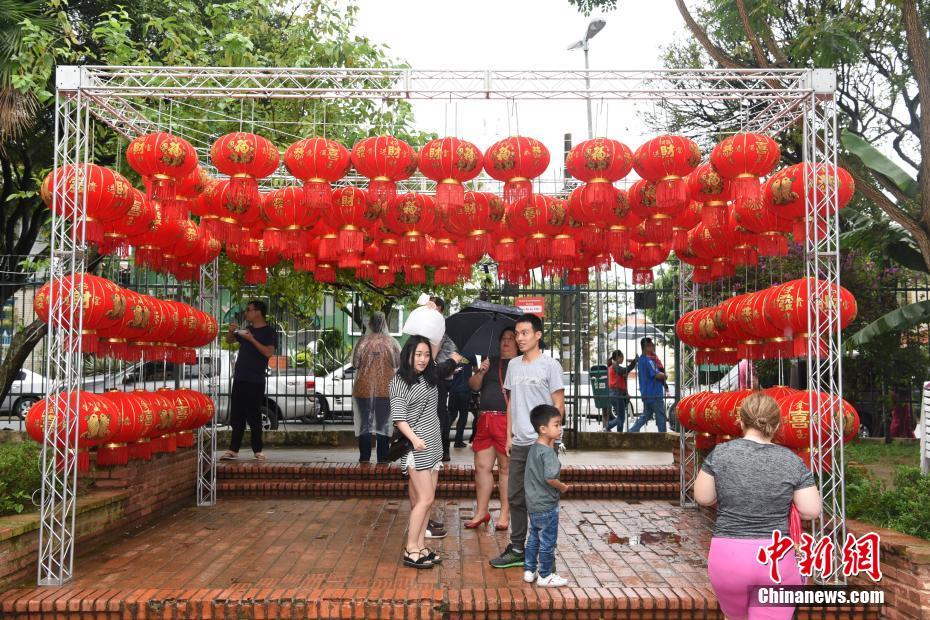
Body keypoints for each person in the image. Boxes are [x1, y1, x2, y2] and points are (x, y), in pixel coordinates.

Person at [695, 392, 822, 620]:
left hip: (729, 558)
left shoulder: (721, 454)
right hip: (776, 559)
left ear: (741, 422)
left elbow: (703, 497)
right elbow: (811, 510)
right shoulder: (791, 460)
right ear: (776, 425)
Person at [489, 313, 565, 570]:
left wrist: (551, 439)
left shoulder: (550, 366)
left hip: (541, 445)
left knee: (541, 500)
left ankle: (545, 554)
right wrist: (509, 434)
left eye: (524, 333)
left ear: (538, 336)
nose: (519, 338)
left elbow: (558, 404)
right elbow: (511, 403)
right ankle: (518, 547)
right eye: (517, 334)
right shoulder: (513, 366)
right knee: (516, 496)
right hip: (520, 442)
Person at [391, 335, 442, 569]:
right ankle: (411, 548)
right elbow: (399, 418)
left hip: (433, 444)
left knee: (428, 501)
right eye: (418, 354)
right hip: (417, 446)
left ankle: (421, 546)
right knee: (424, 499)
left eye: (427, 354)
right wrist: (415, 440)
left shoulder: (428, 378)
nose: (423, 359)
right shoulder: (400, 381)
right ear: (408, 354)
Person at [463, 327, 518, 530]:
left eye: (511, 338)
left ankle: (504, 513)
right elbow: (474, 386)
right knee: (482, 467)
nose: (506, 342)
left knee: (505, 469)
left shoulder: (520, 364)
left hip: (506, 421)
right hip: (485, 420)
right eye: (503, 338)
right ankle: (481, 512)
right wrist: (480, 371)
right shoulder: (490, 361)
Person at [220, 300, 276, 462]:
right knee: (237, 414)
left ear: (258, 312)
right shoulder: (246, 330)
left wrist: (252, 339)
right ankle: (233, 450)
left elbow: (267, 352)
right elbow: (230, 340)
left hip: (255, 380)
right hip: (240, 378)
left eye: (249, 310)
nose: (246, 313)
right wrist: (231, 332)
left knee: (254, 415)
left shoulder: (268, 331)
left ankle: (257, 450)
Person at [523, 404, 571, 587]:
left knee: (534, 536)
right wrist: (562, 487)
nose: (560, 429)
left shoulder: (535, 448)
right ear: (543, 429)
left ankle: (529, 570)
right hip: (546, 505)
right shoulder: (548, 454)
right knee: (548, 541)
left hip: (533, 504)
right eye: (556, 425)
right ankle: (545, 574)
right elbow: (550, 478)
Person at [351, 312, 400, 463]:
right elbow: (397, 363)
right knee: (383, 425)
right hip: (385, 390)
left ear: (370, 324)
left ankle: (364, 458)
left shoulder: (362, 342)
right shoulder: (391, 343)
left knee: (365, 424)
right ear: (384, 323)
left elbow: (355, 364)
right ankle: (383, 458)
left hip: (363, 389)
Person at [628, 337, 668, 433]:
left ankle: (632, 431)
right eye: (651, 345)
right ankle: (663, 437)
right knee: (661, 417)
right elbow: (656, 374)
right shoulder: (649, 360)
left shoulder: (641, 360)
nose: (653, 347)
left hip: (646, 393)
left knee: (646, 414)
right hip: (654, 393)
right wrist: (665, 375)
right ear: (646, 347)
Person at [605, 350, 636, 432]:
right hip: (616, 393)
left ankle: (618, 433)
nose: (623, 358)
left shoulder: (613, 366)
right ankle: (608, 427)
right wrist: (634, 363)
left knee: (621, 417)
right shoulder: (615, 366)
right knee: (621, 417)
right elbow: (624, 371)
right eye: (622, 357)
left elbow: (623, 378)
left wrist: (626, 393)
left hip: (616, 393)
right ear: (618, 357)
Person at [449, 354, 474, 448]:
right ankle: (458, 441)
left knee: (451, 415)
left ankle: (442, 440)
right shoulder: (471, 355)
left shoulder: (453, 355)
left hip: (453, 390)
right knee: (463, 416)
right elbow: (476, 369)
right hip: (465, 390)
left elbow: (448, 370)